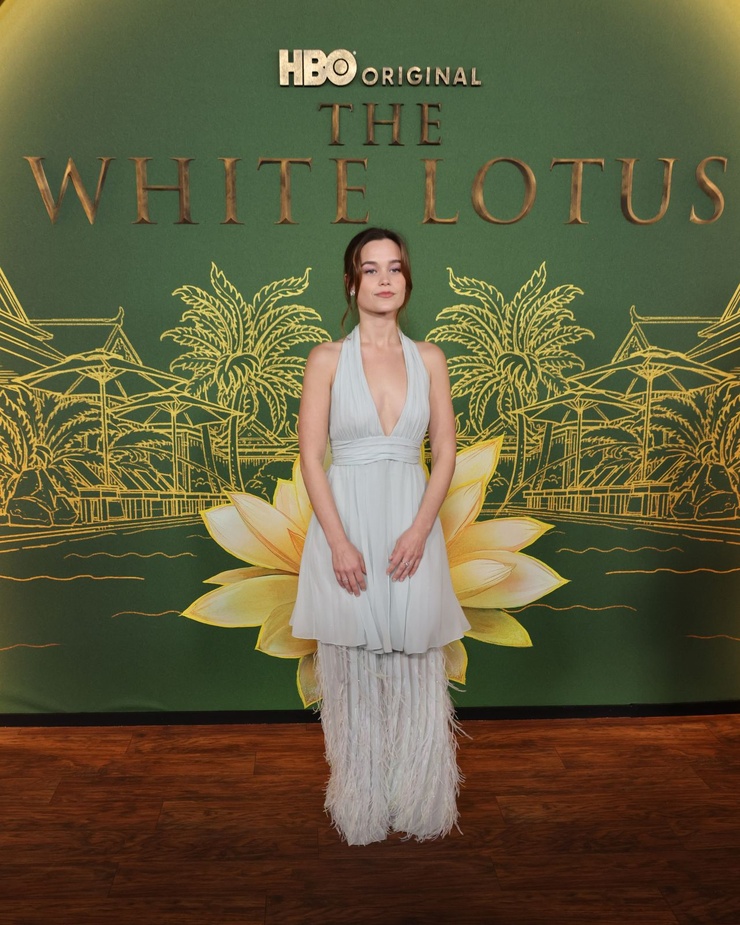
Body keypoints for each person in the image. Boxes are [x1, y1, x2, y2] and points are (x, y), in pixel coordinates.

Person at [290, 227, 470, 845]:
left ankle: (423, 803)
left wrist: (420, 530)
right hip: (346, 525)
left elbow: (445, 451)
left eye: (395, 267)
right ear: (352, 283)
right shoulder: (325, 360)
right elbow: (311, 457)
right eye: (371, 269)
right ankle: (360, 805)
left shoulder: (430, 359)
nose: (385, 278)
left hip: (412, 527)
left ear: (407, 280)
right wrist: (338, 543)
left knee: (416, 659)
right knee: (351, 665)